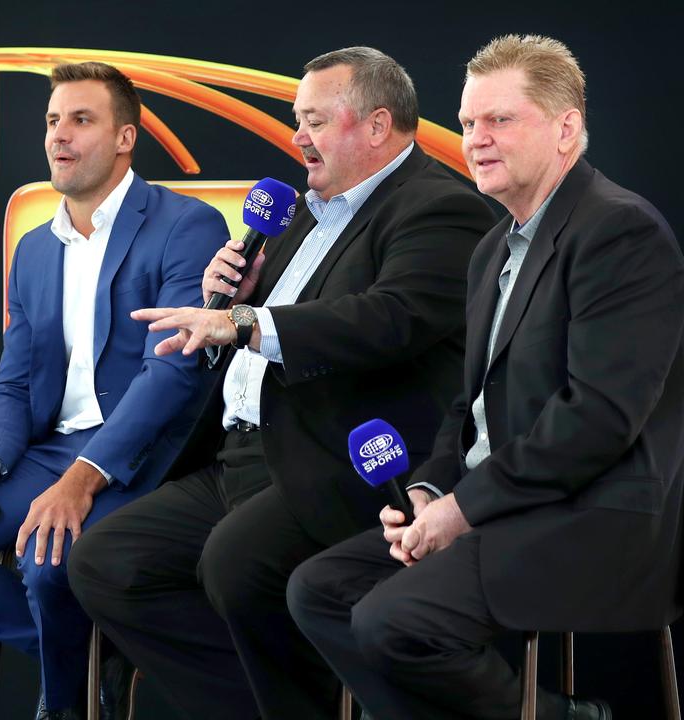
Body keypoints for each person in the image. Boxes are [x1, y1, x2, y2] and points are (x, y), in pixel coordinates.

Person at [68, 47, 496, 719]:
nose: (298, 137)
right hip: (243, 456)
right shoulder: (303, 210)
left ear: (378, 126)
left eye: (316, 121)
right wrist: (231, 300)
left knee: (235, 565)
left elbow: (386, 319)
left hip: (335, 463)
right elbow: (259, 330)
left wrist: (241, 319)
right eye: (298, 120)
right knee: (107, 561)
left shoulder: (440, 208)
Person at [287, 35, 684, 720]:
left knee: (391, 620)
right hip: (503, 506)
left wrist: (461, 510)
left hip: (595, 519)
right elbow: (467, 413)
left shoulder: (620, 232)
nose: (475, 139)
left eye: (500, 120)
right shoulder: (494, 247)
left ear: (566, 128)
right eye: (469, 122)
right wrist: (427, 489)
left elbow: (596, 419)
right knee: (318, 590)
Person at [0, 61, 225, 719]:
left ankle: (66, 703)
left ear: (125, 137)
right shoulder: (35, 250)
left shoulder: (188, 226)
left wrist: (86, 476)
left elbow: (174, 373)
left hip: (138, 456)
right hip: (43, 455)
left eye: (80, 120)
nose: (58, 136)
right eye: (51, 121)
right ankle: (96, 652)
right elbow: (14, 380)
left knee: (45, 563)